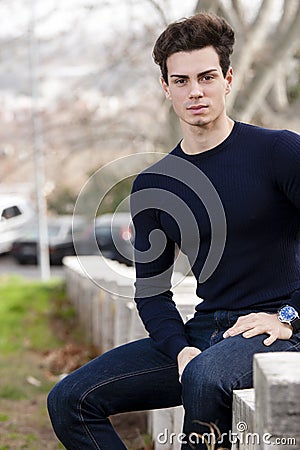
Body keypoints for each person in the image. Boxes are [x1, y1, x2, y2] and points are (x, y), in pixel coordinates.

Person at [47, 12, 300, 450]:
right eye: (181, 81)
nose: (195, 91)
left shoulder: (279, 151)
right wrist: (179, 348)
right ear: (166, 87)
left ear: (228, 78)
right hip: (206, 330)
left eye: (206, 77)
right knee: (70, 398)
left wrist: (289, 317)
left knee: (204, 378)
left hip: (278, 329)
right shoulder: (153, 186)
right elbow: (151, 291)